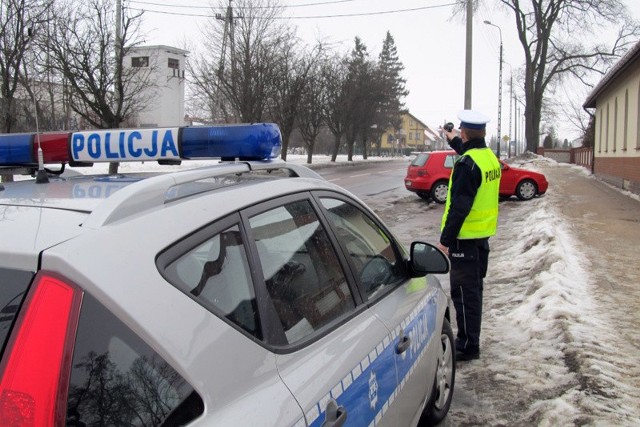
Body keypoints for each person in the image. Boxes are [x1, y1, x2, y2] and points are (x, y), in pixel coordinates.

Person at [438, 109, 501, 362]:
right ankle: (470, 339)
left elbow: (460, 207)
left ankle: (467, 345)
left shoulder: (467, 165)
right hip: (481, 240)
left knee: (464, 295)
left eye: (460, 134)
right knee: (474, 292)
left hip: (464, 240)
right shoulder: (488, 158)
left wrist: (445, 240)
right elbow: (468, 153)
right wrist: (451, 138)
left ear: (465, 133)